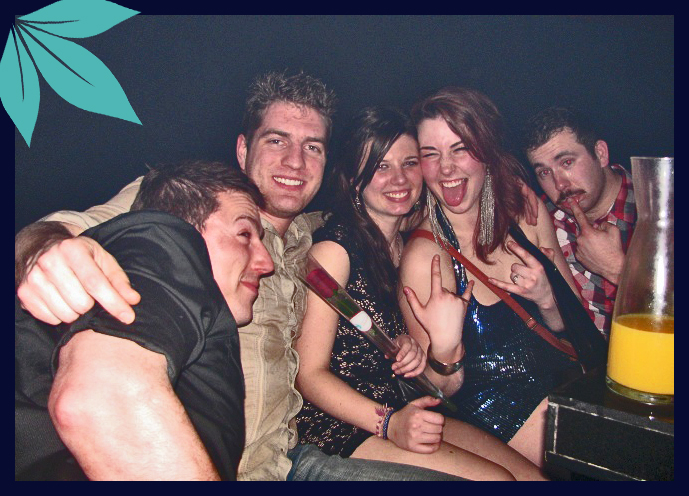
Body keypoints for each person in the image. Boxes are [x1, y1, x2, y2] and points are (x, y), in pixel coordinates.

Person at [15, 72, 465, 481]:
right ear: (243, 150)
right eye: (276, 141)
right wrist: (44, 252)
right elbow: (63, 229)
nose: (295, 161)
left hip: (289, 460)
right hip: (195, 459)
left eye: (312, 147)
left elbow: (384, 215)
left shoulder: (312, 236)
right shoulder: (196, 205)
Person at [295, 106, 546, 480]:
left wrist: (417, 350)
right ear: (354, 180)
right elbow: (308, 374)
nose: (398, 178)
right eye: (381, 166)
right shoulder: (334, 251)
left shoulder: (405, 244)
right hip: (343, 427)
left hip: (406, 411)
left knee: (532, 480)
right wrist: (387, 423)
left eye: (409, 163)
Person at [15, 161, 274, 480]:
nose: (267, 263)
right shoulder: (165, 239)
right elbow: (103, 399)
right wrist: (39, 243)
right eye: (244, 234)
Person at [399, 87, 583, 468]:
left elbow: (578, 327)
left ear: (486, 151)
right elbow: (437, 391)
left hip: (568, 388)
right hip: (494, 418)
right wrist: (444, 350)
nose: (446, 168)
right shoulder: (426, 257)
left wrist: (549, 299)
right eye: (431, 154)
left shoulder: (523, 209)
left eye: (460, 149)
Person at [523, 107, 637, 337]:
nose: (560, 184)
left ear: (601, 154)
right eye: (544, 173)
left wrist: (617, 270)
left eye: (567, 162)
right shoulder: (540, 221)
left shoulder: (659, 212)